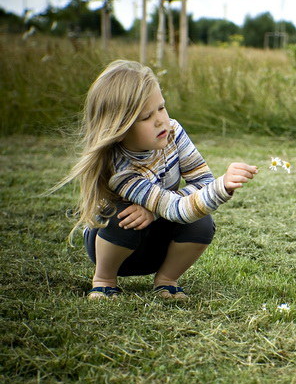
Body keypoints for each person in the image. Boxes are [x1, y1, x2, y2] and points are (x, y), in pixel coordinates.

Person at [55, 60, 258, 299]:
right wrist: (221, 187)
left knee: (201, 221)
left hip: (157, 245)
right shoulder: (121, 171)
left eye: (161, 107)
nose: (161, 120)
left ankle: (167, 280)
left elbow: (202, 183)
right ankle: (104, 280)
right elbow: (176, 208)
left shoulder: (173, 132)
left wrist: (153, 212)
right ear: (119, 130)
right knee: (123, 217)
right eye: (146, 117)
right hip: (117, 248)